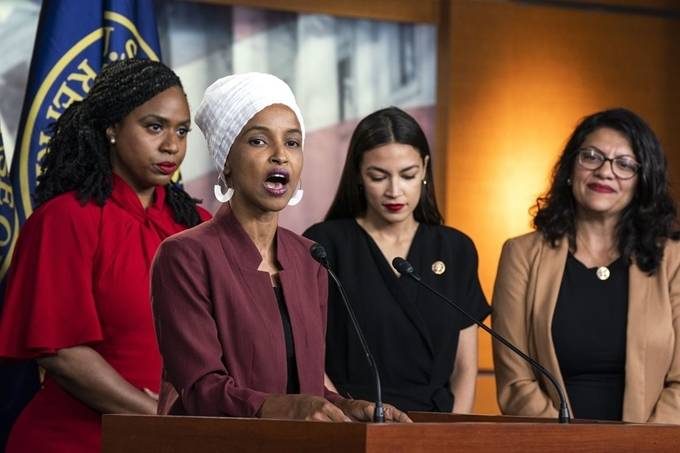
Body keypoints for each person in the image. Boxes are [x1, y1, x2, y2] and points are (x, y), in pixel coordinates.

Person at [151, 73, 409, 422]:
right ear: (227, 160)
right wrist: (282, 408)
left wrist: (350, 408)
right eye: (259, 141)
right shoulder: (185, 256)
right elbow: (199, 389)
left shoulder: (310, 258)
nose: (280, 156)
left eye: (292, 142)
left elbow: (308, 391)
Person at [0, 59, 211, 453]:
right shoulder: (64, 220)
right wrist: (164, 417)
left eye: (182, 131)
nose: (172, 145)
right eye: (154, 127)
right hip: (77, 440)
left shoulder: (198, 225)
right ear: (111, 127)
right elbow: (61, 352)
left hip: (180, 439)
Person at [492, 108, 680, 423]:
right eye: (591, 157)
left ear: (642, 182)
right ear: (569, 170)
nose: (605, 172)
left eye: (624, 164)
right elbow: (515, 381)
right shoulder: (521, 254)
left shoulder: (673, 260)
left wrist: (643, 446)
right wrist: (572, 444)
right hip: (550, 445)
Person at [304, 107, 490, 413]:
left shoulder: (456, 249)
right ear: (359, 175)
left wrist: (455, 435)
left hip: (436, 425)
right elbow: (309, 353)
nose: (394, 191)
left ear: (425, 169)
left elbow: (465, 368)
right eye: (378, 176)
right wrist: (343, 416)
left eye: (408, 175)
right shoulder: (324, 244)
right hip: (353, 420)